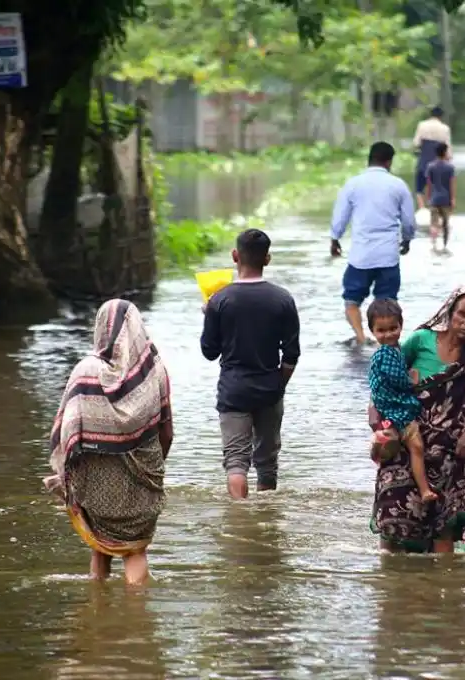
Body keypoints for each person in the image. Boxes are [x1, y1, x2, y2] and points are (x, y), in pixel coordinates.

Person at [45, 298, 174, 585]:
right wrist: (151, 473)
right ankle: (136, 621)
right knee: (135, 551)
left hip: (94, 485)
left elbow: (68, 432)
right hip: (142, 481)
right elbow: (166, 432)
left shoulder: (84, 371)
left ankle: (98, 611)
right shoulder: (155, 370)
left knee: (98, 549)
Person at [370, 284, 465, 554]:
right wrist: (378, 422)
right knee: (395, 520)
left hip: (451, 454)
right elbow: (385, 379)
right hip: (406, 440)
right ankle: (390, 584)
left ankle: (441, 584)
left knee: (445, 528)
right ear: (450, 312)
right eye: (462, 314)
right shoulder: (421, 341)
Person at [201, 228, 301, 501]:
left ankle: (240, 523)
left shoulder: (219, 300)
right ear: (267, 259)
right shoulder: (283, 299)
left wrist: (208, 315)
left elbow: (209, 352)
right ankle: (265, 525)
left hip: (233, 390)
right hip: (270, 388)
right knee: (267, 462)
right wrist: (278, 384)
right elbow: (291, 354)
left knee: (236, 462)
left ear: (235, 256)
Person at [330, 141, 416, 346]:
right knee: (387, 302)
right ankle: (385, 342)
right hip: (388, 255)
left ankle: (361, 338)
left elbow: (340, 217)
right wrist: (407, 240)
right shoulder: (398, 185)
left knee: (351, 301)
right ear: (389, 161)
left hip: (361, 256)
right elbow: (409, 221)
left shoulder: (353, 184)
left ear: (369, 159)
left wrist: (335, 239)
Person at [366, 298, 436, 503]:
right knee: (417, 447)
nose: (388, 334)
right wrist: (412, 380)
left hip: (387, 410)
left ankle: (383, 442)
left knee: (393, 444)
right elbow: (397, 379)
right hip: (397, 409)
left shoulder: (392, 351)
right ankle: (424, 490)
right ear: (372, 331)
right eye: (381, 330)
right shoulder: (387, 353)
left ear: (401, 325)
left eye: (393, 328)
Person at [412, 106, 452, 211]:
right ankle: (434, 209)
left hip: (423, 161)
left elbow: (416, 143)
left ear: (430, 115)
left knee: (419, 188)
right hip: (438, 163)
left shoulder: (422, 125)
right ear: (441, 117)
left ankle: (421, 208)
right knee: (437, 187)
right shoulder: (445, 128)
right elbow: (448, 149)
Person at [424, 142, 456, 252]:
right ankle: (445, 245)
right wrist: (453, 199)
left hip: (434, 199)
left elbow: (429, 184)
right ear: (445, 152)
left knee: (434, 223)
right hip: (446, 200)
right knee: (446, 224)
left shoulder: (430, 166)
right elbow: (451, 184)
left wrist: (428, 198)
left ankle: (433, 245)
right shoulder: (450, 167)